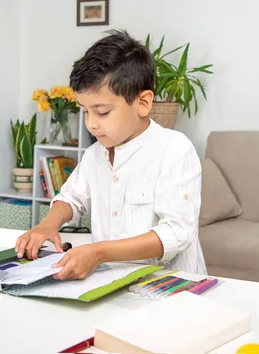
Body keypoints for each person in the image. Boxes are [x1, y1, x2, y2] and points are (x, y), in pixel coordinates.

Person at [15, 30, 207, 280]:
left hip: (172, 289)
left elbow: (176, 233)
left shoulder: (174, 149)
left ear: (143, 103)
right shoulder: (95, 154)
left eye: (102, 112)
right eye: (84, 111)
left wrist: (100, 252)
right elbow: (71, 198)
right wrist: (49, 223)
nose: (91, 124)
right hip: (113, 285)